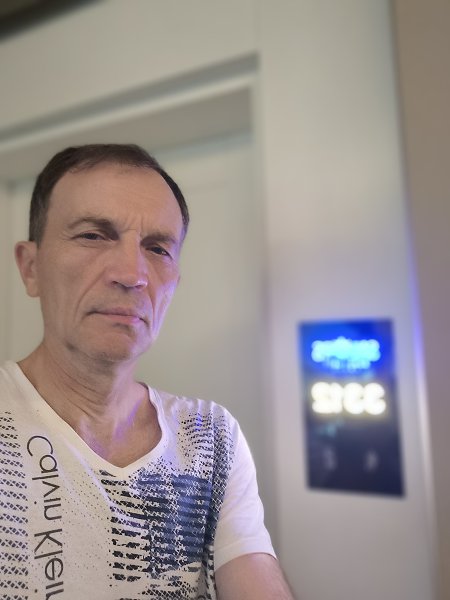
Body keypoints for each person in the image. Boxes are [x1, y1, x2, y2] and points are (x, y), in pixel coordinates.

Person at [0, 144, 294, 599]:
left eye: (157, 248)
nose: (132, 273)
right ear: (31, 267)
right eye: (93, 236)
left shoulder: (211, 438)